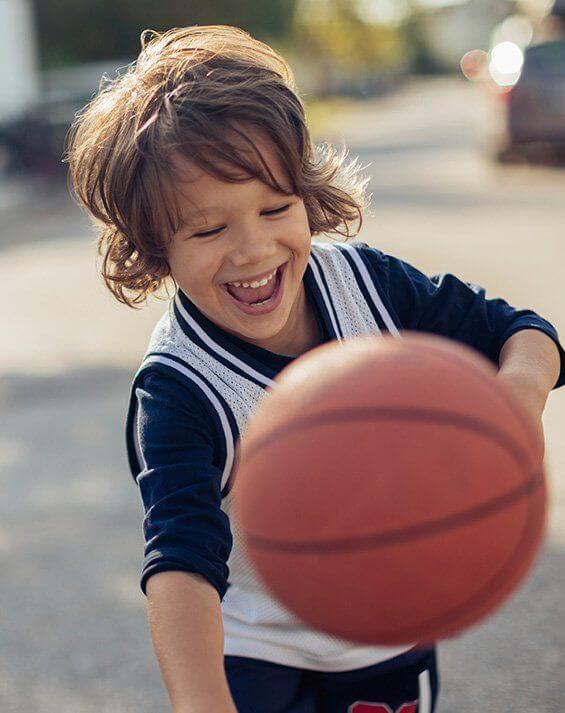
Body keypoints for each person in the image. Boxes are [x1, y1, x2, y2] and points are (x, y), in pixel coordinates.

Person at [66, 25, 565, 713]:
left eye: (275, 209)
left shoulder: (367, 285)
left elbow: (523, 331)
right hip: (258, 651)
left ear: (306, 197)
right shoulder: (181, 386)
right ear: (156, 249)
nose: (252, 249)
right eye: (209, 230)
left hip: (384, 631)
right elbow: (180, 562)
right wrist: (202, 701)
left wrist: (515, 396)